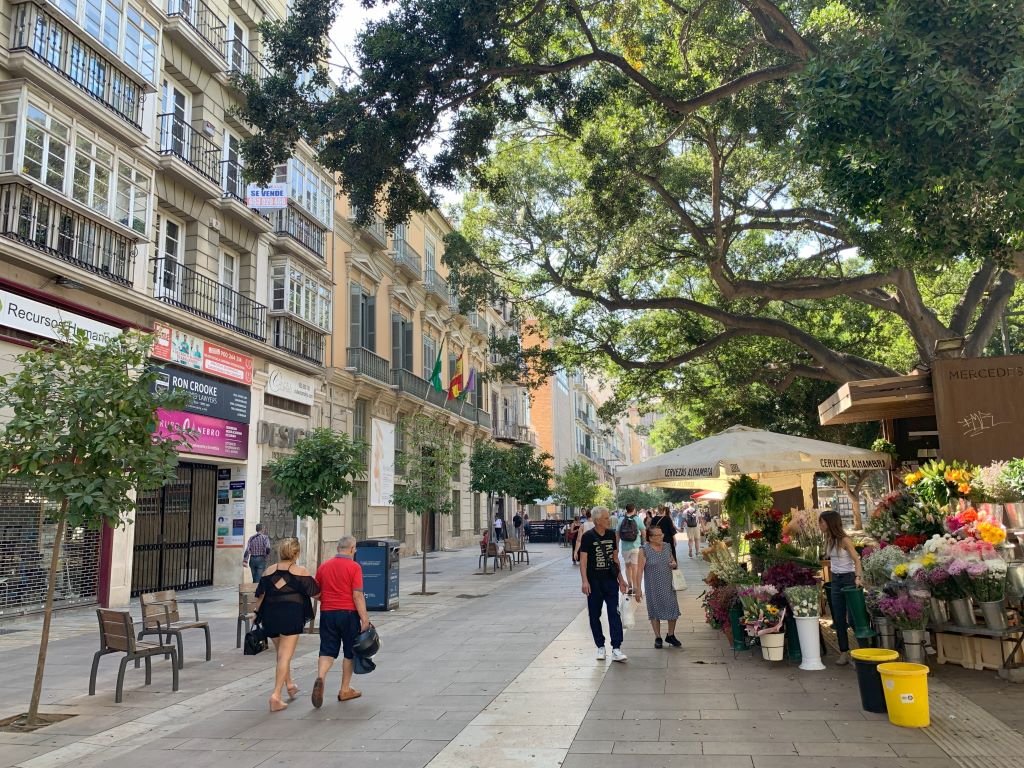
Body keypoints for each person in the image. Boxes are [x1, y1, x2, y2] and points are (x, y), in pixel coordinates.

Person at [253, 538, 319, 712]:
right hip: (290, 615)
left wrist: (255, 615)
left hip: (270, 616)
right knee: (285, 656)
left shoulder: (268, 571)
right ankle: (275, 695)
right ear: (296, 554)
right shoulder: (300, 571)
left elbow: (260, 596)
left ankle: (289, 684)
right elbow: (316, 593)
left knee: (281, 654)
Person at [313, 536, 371, 707]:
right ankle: (344, 689)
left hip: (327, 613)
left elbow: (315, 592)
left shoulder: (324, 567)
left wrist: (326, 598)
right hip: (348, 613)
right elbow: (357, 595)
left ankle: (321, 677)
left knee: (327, 649)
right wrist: (365, 619)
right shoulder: (354, 567)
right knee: (349, 651)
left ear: (338, 548)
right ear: (352, 548)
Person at [579, 506, 628, 662]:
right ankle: (600, 646)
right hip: (594, 582)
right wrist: (585, 581)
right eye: (606, 518)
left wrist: (621, 578)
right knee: (594, 615)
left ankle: (616, 648)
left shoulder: (612, 534)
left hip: (610, 581)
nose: (609, 520)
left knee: (614, 613)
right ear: (598, 520)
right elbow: (583, 562)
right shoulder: (588, 537)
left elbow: (615, 559)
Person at [819, 510, 863, 666]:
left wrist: (858, 578)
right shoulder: (829, 539)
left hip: (849, 579)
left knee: (853, 618)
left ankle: (861, 652)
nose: (820, 525)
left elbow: (857, 560)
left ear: (830, 523)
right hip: (836, 580)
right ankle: (844, 652)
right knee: (838, 618)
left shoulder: (845, 540)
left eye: (822, 522)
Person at [635, 525, 682, 649]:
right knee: (654, 610)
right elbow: (639, 570)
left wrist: (674, 564)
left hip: (668, 584)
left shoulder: (667, 546)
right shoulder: (644, 550)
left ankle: (671, 635)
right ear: (650, 538)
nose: (661, 536)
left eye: (661, 534)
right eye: (658, 535)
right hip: (653, 586)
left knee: (672, 608)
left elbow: (673, 561)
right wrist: (638, 589)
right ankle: (658, 637)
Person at [618, 503, 645, 594]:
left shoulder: (621, 519)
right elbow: (643, 531)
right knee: (635, 567)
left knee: (627, 566)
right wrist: (643, 543)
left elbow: (617, 533)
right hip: (636, 546)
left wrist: (616, 546)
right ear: (634, 510)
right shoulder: (637, 519)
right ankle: (635, 587)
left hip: (625, 547)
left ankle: (629, 586)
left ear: (626, 510)